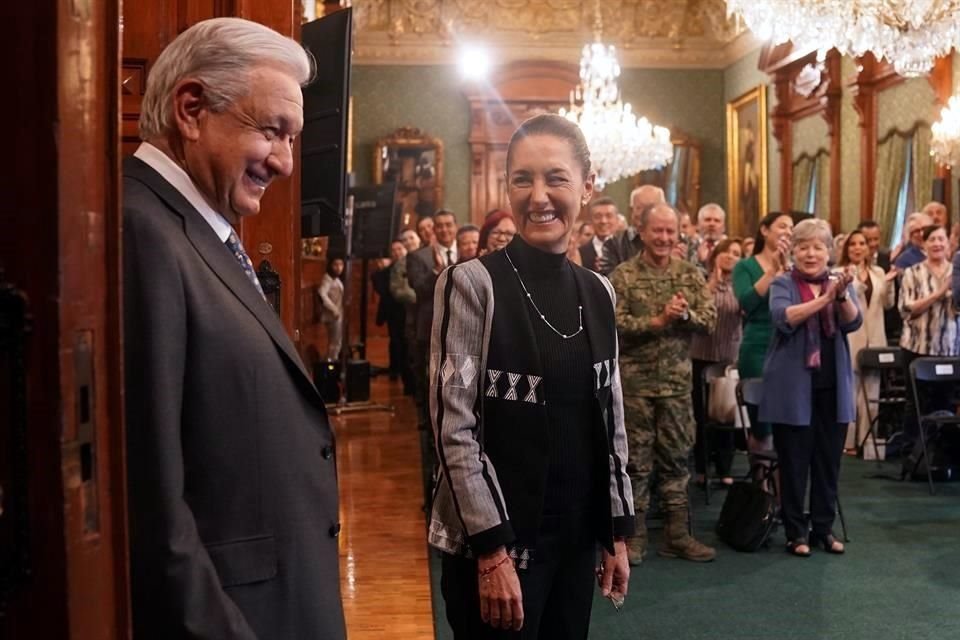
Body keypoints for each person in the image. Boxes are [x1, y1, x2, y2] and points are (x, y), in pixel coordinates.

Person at [123, 18, 345, 639]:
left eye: (294, 139)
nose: (285, 161)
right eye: (272, 131)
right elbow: (150, 501)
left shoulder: (198, 231)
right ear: (191, 109)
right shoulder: (138, 231)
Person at [429, 114, 633, 639]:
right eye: (523, 178)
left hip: (575, 541)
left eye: (556, 178)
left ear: (587, 187)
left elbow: (610, 421)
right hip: (498, 547)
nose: (538, 195)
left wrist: (615, 532)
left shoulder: (598, 291)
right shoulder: (472, 284)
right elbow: (454, 431)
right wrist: (492, 551)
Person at [611, 203, 717, 565]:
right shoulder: (623, 276)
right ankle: (633, 537)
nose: (664, 238)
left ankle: (678, 535)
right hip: (636, 386)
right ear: (642, 232)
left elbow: (708, 321)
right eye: (658, 231)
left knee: (676, 459)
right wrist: (657, 321)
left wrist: (683, 315)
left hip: (675, 386)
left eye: (671, 232)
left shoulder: (690, 275)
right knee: (636, 463)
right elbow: (614, 323)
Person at [760, 218, 861, 557]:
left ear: (829, 252)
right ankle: (795, 533)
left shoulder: (840, 282)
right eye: (803, 247)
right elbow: (783, 318)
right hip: (792, 389)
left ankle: (823, 529)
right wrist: (824, 299)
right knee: (794, 463)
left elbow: (854, 320)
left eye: (818, 246)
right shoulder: (782, 282)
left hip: (833, 387)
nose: (811, 253)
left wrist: (841, 295)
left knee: (828, 463)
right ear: (794, 251)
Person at [732, 211, 795, 455]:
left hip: (788, 345)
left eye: (791, 228)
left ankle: (782, 488)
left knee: (786, 423)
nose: (788, 232)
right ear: (765, 230)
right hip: (757, 345)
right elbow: (746, 303)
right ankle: (762, 487)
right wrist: (772, 273)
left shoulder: (795, 266)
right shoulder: (745, 266)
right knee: (762, 425)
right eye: (782, 226)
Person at [691, 238, 743, 487]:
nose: (730, 256)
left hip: (728, 358)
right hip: (701, 355)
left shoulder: (742, 285)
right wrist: (714, 280)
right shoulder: (701, 278)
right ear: (716, 254)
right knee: (701, 417)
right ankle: (701, 468)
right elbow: (697, 307)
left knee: (726, 417)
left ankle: (725, 468)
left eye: (736, 253)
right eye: (726, 252)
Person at [899, 224, 958, 442]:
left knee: (947, 403)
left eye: (941, 239)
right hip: (917, 348)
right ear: (924, 244)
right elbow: (908, 310)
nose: (937, 244)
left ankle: (943, 455)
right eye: (932, 239)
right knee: (916, 403)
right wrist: (939, 294)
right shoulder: (912, 273)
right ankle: (912, 455)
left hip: (950, 348)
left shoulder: (956, 272)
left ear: (949, 243)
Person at [837, 230, 894, 453]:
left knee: (872, 392)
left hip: (876, 338)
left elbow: (888, 304)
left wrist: (889, 284)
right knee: (849, 392)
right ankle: (847, 442)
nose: (858, 248)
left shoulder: (878, 272)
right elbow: (844, 302)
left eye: (862, 244)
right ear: (846, 248)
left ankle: (866, 442)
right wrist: (855, 282)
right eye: (852, 244)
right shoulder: (838, 272)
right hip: (852, 338)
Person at [599, 185, 665, 275]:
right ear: (631, 210)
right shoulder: (613, 243)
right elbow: (608, 282)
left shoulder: (678, 242)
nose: (646, 213)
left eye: (652, 208)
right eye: (640, 208)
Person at [374, 241, 410, 384]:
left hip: (408, 311)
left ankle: (405, 369)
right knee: (395, 341)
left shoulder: (411, 264)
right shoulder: (387, 270)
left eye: (400, 249)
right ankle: (395, 369)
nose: (397, 252)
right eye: (393, 250)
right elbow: (379, 285)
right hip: (392, 312)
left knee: (407, 342)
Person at [579, 197, 618, 272]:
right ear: (590, 221)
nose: (603, 221)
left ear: (616, 219)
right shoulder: (581, 253)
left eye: (609, 216)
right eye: (598, 217)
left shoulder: (625, 249)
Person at [319, 257, 345, 360]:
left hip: (338, 314)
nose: (339, 268)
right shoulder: (327, 278)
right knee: (334, 342)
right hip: (332, 315)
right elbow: (322, 294)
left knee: (337, 341)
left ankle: (332, 361)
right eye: (336, 265)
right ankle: (331, 363)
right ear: (330, 265)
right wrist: (334, 309)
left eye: (341, 265)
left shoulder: (336, 279)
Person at [689, 203, 727, 269]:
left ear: (723, 227)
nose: (712, 224)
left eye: (717, 221)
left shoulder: (729, 250)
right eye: (707, 220)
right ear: (698, 225)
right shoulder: (688, 248)